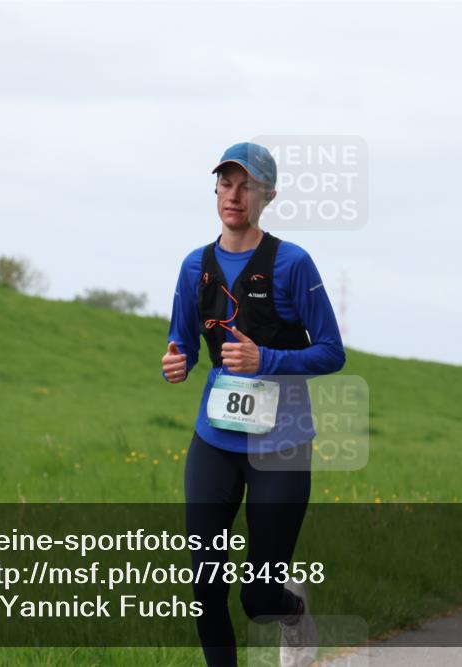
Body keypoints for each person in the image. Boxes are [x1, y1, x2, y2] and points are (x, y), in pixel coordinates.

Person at [161, 142, 345, 667]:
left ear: (268, 194)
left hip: (281, 446)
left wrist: (266, 359)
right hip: (215, 440)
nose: (234, 195)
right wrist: (175, 363)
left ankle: (291, 611)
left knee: (257, 598)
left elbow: (332, 352)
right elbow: (182, 343)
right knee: (205, 583)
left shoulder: (292, 264)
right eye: (225, 183)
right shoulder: (194, 266)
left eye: (246, 185)